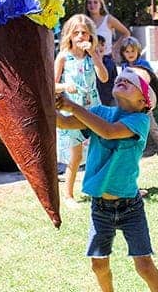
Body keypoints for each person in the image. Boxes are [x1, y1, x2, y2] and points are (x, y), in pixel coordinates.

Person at [55, 66, 158, 292]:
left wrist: (74, 106)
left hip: (130, 207)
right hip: (100, 207)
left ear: (145, 102)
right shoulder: (99, 112)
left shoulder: (140, 121)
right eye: (124, 73)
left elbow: (107, 131)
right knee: (98, 265)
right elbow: (65, 123)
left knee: (144, 266)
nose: (125, 77)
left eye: (135, 79)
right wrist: (49, 102)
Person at [55, 14, 108, 208]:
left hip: (93, 108)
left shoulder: (92, 55)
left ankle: (100, 189)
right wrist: (64, 86)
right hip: (72, 110)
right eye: (76, 33)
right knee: (75, 155)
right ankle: (68, 195)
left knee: (100, 149)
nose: (80, 36)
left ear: (90, 36)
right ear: (69, 35)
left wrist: (95, 54)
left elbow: (103, 77)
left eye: (84, 33)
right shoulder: (63, 56)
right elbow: (50, 85)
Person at [120, 38, 158, 156]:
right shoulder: (124, 66)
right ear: (123, 53)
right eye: (127, 52)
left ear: (138, 51)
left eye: (132, 51)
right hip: (130, 102)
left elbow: (151, 82)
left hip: (143, 101)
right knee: (132, 125)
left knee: (152, 125)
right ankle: (133, 149)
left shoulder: (144, 65)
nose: (130, 54)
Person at [85, 0, 131, 97]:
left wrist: (115, 47)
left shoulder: (108, 19)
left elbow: (126, 33)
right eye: (89, 3)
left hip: (106, 61)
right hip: (89, 61)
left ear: (101, 4)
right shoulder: (84, 21)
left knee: (108, 96)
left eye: (95, 2)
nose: (92, 5)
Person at [96, 34, 118, 106]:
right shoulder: (88, 62)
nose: (100, 48)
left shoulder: (110, 62)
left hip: (109, 98)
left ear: (105, 47)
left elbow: (115, 80)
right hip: (95, 98)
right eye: (97, 45)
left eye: (102, 45)